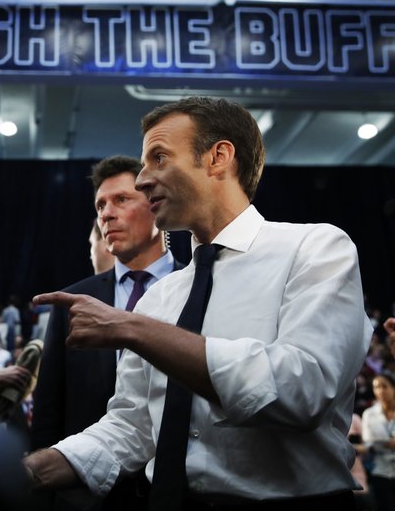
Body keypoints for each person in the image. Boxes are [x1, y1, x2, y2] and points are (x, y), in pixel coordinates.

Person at [24, 96, 370, 510]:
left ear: (218, 157)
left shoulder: (315, 249)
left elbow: (301, 389)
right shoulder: (161, 296)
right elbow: (132, 428)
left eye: (158, 158)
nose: (142, 180)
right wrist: (30, 471)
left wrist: (132, 329)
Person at [31, 155, 181, 511]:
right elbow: (50, 410)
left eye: (121, 200)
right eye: (101, 204)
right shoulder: (72, 301)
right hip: (85, 495)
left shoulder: (196, 288)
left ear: (155, 203)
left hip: (176, 491)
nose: (106, 213)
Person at [362, 372, 395, 511]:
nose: (380, 391)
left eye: (384, 386)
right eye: (376, 387)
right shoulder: (369, 414)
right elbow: (367, 443)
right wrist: (384, 444)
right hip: (381, 470)